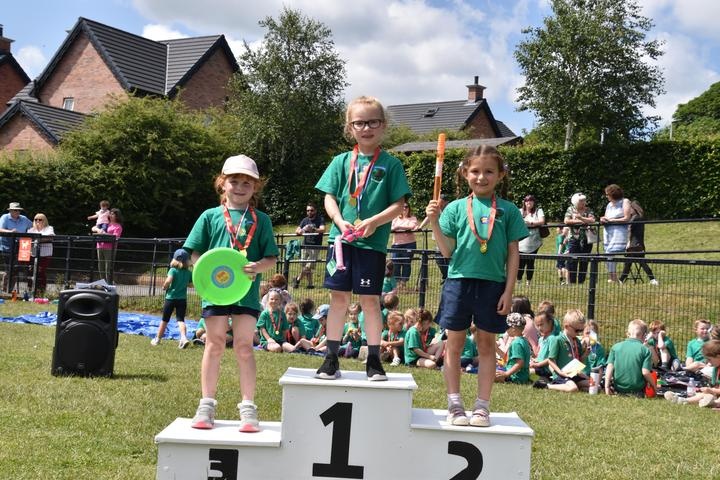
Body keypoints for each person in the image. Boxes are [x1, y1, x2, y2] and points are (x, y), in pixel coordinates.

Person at [426, 144, 528, 427]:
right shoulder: (456, 208)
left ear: (500, 175)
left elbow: (513, 254)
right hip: (458, 283)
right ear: (465, 173)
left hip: (493, 285)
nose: (481, 177)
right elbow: (447, 251)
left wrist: (508, 291)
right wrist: (434, 222)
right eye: (475, 171)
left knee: (486, 345)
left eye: (488, 172)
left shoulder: (509, 210)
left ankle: (482, 407)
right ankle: (455, 404)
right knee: (454, 344)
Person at [314, 96, 411, 382]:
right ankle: (331, 359)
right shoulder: (341, 161)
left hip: (372, 244)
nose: (366, 128)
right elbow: (329, 198)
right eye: (359, 123)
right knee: (338, 299)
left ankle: (374, 360)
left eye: (373, 122)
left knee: (370, 301)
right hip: (341, 242)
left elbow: (398, 204)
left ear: (383, 125)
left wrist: (374, 222)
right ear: (350, 127)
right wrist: (338, 220)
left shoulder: (391, 164)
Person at [183, 154, 278, 432]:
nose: (239, 187)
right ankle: (206, 405)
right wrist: (203, 270)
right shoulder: (209, 216)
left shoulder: (262, 220)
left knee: (244, 347)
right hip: (215, 292)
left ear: (255, 187)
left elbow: (271, 258)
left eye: (246, 183)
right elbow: (194, 252)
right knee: (213, 344)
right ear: (222, 183)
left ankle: (248, 408)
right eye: (234, 181)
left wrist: (258, 266)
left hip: (246, 294)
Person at [534, 309, 589, 393]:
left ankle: (574, 385)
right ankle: (546, 386)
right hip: (561, 375)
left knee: (595, 385)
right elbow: (550, 360)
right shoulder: (557, 340)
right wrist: (560, 372)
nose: (579, 333)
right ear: (566, 326)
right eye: (577, 330)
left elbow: (579, 360)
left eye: (581, 330)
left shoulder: (577, 341)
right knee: (573, 389)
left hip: (574, 374)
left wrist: (585, 354)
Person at [151, 248, 192, 348]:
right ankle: (183, 338)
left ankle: (157, 339)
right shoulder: (188, 273)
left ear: (174, 259)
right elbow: (191, 284)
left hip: (170, 298)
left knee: (165, 320)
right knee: (181, 320)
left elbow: (168, 280)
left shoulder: (173, 270)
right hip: (182, 299)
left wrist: (165, 286)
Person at [605, 319, 656, 397]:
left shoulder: (615, 347)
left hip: (618, 389)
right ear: (644, 336)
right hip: (637, 391)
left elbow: (609, 367)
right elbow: (645, 372)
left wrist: (607, 387)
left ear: (627, 334)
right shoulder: (645, 350)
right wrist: (654, 387)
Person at [665, 340, 720, 407]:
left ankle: (715, 403)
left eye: (709, 359)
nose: (708, 362)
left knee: (710, 396)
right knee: (702, 394)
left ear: (718, 356)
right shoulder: (716, 368)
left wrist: (712, 390)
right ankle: (683, 400)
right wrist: (709, 390)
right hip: (716, 393)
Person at [618, 200, 658, 285]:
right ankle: (621, 279)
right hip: (639, 244)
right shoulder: (640, 217)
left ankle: (652, 279)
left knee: (637, 262)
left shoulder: (634, 218)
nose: (629, 210)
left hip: (634, 244)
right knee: (631, 262)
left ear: (634, 209)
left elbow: (630, 230)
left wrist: (628, 242)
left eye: (630, 208)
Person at [600, 184, 631, 283]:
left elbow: (627, 218)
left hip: (619, 232)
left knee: (610, 252)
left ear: (613, 194)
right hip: (608, 232)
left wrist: (612, 220)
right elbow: (606, 217)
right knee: (607, 253)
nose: (606, 196)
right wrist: (603, 219)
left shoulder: (625, 201)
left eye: (607, 194)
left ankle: (614, 278)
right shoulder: (609, 205)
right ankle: (612, 277)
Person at [0, 202, 33, 291]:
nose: (17, 212)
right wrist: (10, 232)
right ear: (10, 211)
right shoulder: (4, 217)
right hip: (7, 247)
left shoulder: (24, 219)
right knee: (9, 269)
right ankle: (5, 289)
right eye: (15, 210)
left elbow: (33, 226)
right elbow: (0, 229)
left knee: (16, 268)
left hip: (22, 247)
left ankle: (9, 290)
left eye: (19, 210)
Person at [564, 193, 596, 284]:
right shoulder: (570, 209)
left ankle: (581, 281)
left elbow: (592, 220)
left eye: (584, 200)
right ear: (575, 202)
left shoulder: (588, 210)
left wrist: (580, 218)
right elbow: (566, 221)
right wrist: (583, 221)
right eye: (581, 201)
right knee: (572, 260)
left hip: (587, 238)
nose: (583, 202)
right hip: (573, 238)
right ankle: (572, 282)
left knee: (584, 260)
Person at [293, 202, 325, 289]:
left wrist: (313, 229)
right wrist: (299, 231)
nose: (309, 212)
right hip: (305, 245)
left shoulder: (320, 219)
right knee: (305, 266)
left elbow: (323, 229)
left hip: (315, 246)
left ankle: (297, 279)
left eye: (311, 210)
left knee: (309, 265)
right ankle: (310, 284)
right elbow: (297, 229)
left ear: (315, 211)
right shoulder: (305, 220)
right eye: (308, 210)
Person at [390, 202, 419, 291]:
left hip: (409, 244)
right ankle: (398, 282)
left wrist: (398, 227)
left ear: (409, 208)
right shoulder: (395, 218)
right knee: (395, 264)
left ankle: (403, 282)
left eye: (406, 207)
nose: (404, 209)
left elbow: (412, 226)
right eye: (402, 207)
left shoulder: (413, 218)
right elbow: (391, 228)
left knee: (406, 263)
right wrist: (403, 227)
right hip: (396, 244)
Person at [517, 195, 545, 286]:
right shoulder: (520, 211)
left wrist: (531, 223)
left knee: (530, 262)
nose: (529, 202)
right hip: (521, 241)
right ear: (524, 202)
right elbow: (516, 221)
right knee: (520, 262)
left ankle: (528, 281)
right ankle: (519, 280)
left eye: (531, 200)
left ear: (534, 202)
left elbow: (542, 221)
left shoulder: (538, 211)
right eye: (527, 201)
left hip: (534, 240)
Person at [495, 313, 531, 384]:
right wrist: (496, 348)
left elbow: (520, 363)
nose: (505, 329)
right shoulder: (524, 340)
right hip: (523, 376)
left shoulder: (516, 343)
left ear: (513, 329)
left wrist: (506, 374)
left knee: (489, 374)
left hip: (515, 377)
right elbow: (508, 358)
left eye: (507, 327)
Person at [27, 213, 55, 293]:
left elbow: (50, 237)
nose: (38, 221)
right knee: (31, 270)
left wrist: (36, 240)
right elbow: (28, 238)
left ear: (44, 220)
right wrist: (40, 239)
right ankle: (30, 290)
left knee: (41, 271)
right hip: (33, 253)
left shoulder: (49, 228)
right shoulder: (31, 229)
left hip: (45, 254)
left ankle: (41, 291)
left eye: (40, 219)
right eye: (36, 219)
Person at [94, 208, 123, 283]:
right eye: (110, 213)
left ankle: (109, 283)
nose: (110, 215)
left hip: (110, 248)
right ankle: (102, 282)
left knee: (108, 266)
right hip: (99, 246)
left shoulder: (118, 226)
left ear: (117, 216)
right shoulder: (105, 222)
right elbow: (93, 228)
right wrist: (98, 230)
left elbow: (115, 237)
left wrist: (103, 233)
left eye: (112, 214)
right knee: (101, 265)